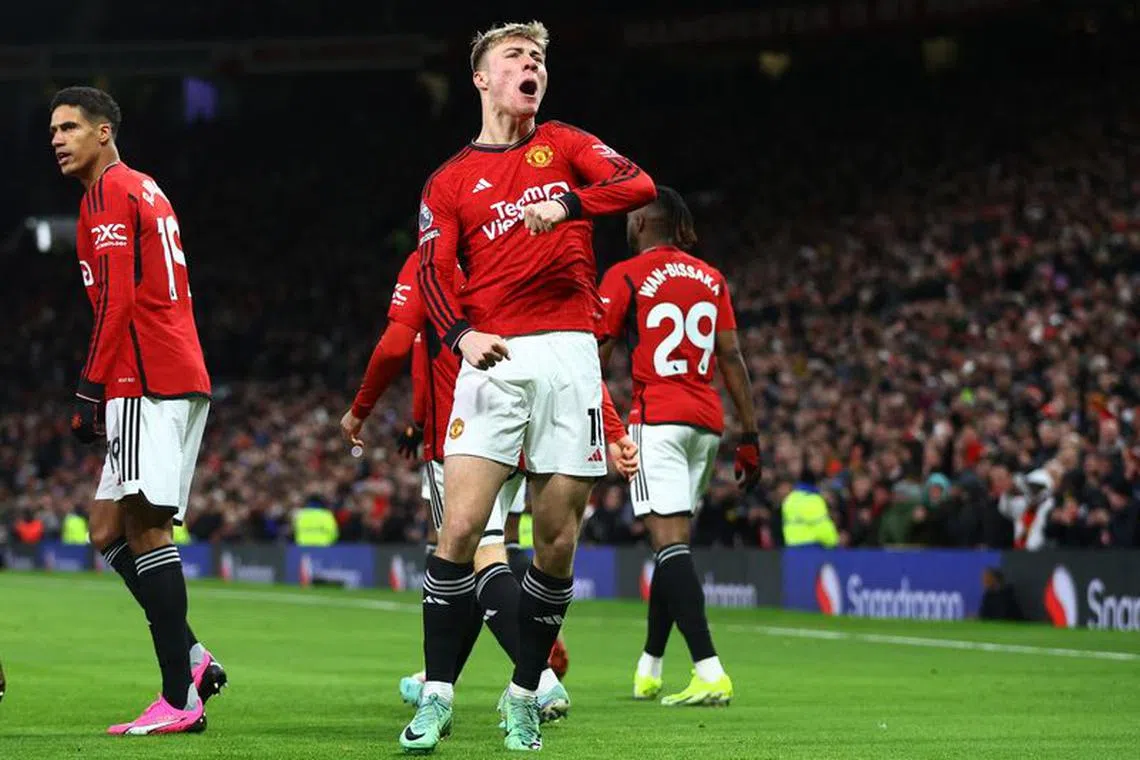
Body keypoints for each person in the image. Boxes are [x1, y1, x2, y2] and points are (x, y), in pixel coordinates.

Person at [404, 20, 652, 753]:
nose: (531, 64)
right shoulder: (450, 179)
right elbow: (428, 272)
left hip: (573, 356)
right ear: (482, 77)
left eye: (538, 57)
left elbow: (636, 184)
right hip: (496, 359)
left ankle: (522, 693)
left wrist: (571, 203)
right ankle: (436, 698)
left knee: (556, 546)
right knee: (460, 530)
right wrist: (460, 335)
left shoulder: (567, 147)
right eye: (515, 55)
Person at [49, 86, 225, 735]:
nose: (58, 140)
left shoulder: (108, 195)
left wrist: (90, 385)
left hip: (143, 373)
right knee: (106, 529)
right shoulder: (145, 188)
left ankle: (178, 698)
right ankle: (195, 659)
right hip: (169, 367)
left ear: (104, 131)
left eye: (70, 127)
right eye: (52, 132)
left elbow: (117, 300)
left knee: (148, 529)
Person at [339, 250, 573, 725]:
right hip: (524, 427)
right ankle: (438, 676)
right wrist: (418, 420)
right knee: (471, 552)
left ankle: (539, 681)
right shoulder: (505, 257)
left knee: (474, 553)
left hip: (466, 436)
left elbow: (395, 345)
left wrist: (360, 409)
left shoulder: (430, 261)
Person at [597, 187, 761, 707]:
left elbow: (595, 353)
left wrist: (592, 425)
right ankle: (650, 666)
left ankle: (709, 669)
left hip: (657, 420)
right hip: (706, 424)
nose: (625, 224)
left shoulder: (625, 275)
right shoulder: (711, 277)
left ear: (645, 222)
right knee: (672, 547)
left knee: (669, 547)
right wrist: (750, 435)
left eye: (630, 217)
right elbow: (731, 358)